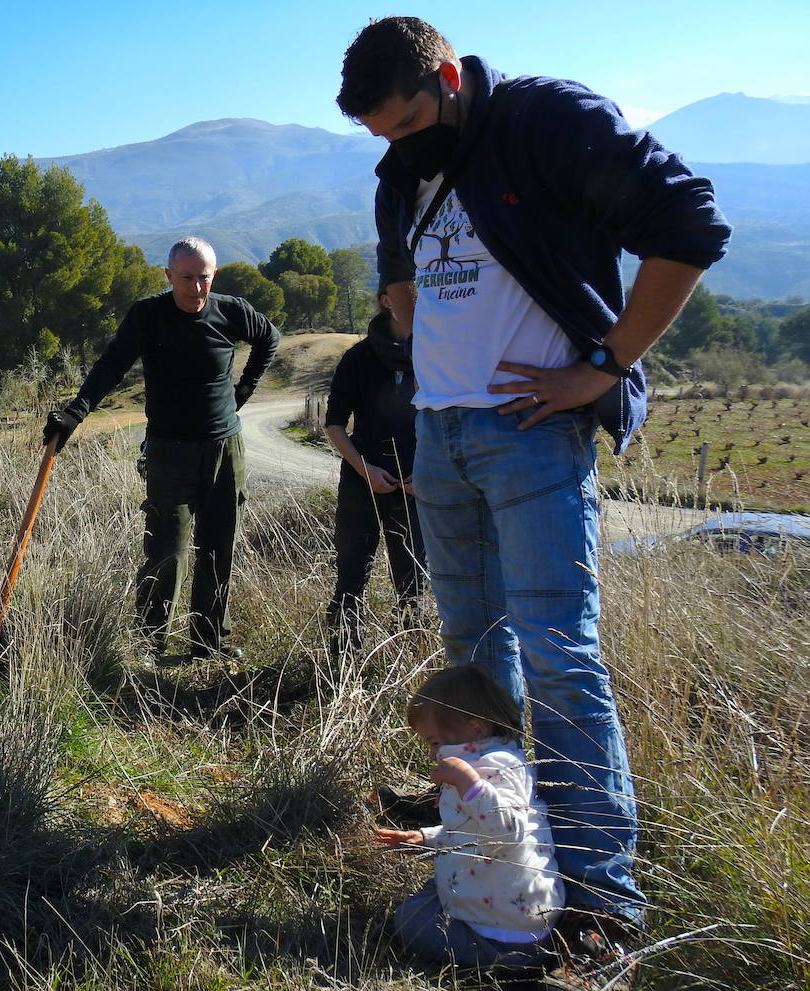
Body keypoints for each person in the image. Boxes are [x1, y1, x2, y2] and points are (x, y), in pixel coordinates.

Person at [336, 15, 731, 984]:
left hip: (531, 434)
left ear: (455, 78)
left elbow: (689, 221)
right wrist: (430, 369)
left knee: (559, 657)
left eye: (410, 121)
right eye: (381, 133)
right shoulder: (398, 172)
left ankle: (599, 903)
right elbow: (402, 290)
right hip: (445, 436)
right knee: (474, 658)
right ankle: (499, 846)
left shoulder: (544, 121)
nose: (399, 144)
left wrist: (604, 365)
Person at [42, 237, 281, 662]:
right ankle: (149, 643)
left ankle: (209, 643)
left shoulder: (232, 311)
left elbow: (269, 339)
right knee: (166, 549)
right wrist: (76, 412)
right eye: (186, 278)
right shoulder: (148, 316)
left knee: (218, 546)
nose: (196, 288)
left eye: (204, 278)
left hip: (225, 449)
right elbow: (112, 364)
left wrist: (245, 387)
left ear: (215, 275)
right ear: (169, 276)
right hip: (169, 452)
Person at [374, 664, 566, 973]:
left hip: (506, 938)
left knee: (411, 917)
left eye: (435, 742)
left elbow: (507, 834)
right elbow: (474, 834)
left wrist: (470, 784)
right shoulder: (496, 763)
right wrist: (426, 837)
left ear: (477, 731)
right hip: (517, 918)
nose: (432, 755)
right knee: (431, 892)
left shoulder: (492, 771)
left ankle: (507, 968)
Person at [323, 287, 425, 657]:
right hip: (362, 481)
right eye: (413, 295)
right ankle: (343, 664)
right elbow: (334, 423)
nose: (422, 302)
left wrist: (429, 472)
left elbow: (451, 420)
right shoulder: (359, 357)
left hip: (419, 485)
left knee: (414, 578)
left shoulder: (436, 352)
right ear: (387, 300)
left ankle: (412, 663)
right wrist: (364, 469)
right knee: (351, 571)